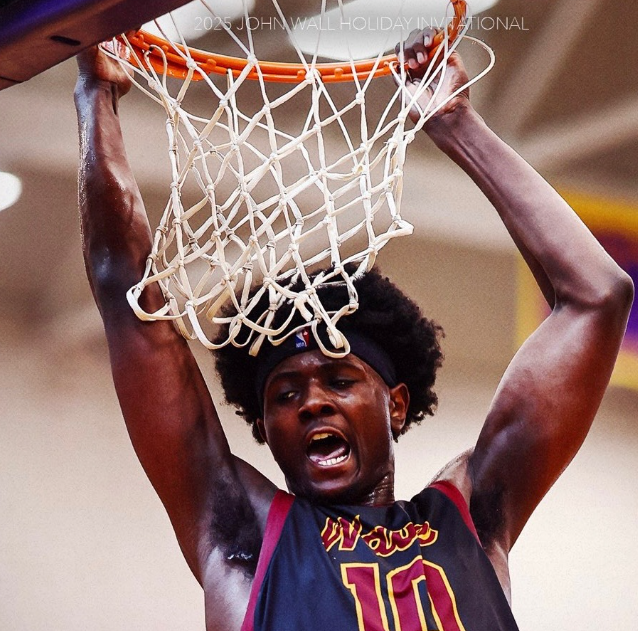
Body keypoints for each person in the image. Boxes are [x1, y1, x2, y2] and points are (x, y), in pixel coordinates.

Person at [74, 29, 633, 631]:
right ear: (263, 429)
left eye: (339, 380)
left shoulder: (469, 519)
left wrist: (455, 123)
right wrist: (96, 96)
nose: (312, 402)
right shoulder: (244, 537)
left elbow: (598, 297)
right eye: (285, 394)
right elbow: (125, 291)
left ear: (396, 404)